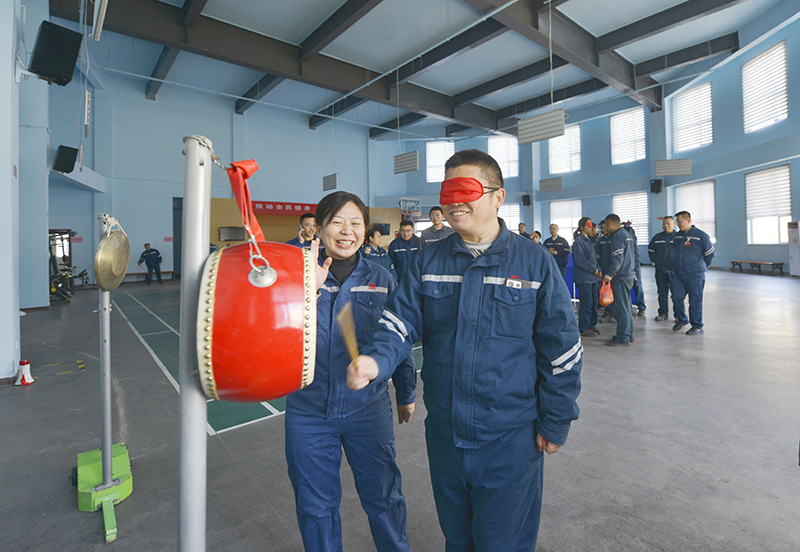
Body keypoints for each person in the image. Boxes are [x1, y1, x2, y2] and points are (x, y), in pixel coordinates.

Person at [348, 149, 582, 552]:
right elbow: (398, 321)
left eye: (466, 190)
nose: (454, 202)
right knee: (457, 539)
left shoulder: (534, 262)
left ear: (497, 197)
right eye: (447, 192)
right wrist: (376, 359)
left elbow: (561, 349)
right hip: (445, 435)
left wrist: (556, 419)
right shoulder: (429, 260)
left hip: (511, 438)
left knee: (502, 544)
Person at [286, 191, 416, 552]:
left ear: (365, 229)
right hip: (309, 411)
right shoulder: (293, 278)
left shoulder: (382, 277)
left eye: (356, 223)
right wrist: (307, 292)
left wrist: (406, 393)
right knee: (315, 506)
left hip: (368, 408)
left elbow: (399, 337)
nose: (347, 231)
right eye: (337, 222)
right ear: (318, 228)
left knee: (384, 497)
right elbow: (269, 337)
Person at [671, 211, 715, 335]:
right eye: (677, 222)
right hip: (679, 274)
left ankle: (697, 326)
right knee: (676, 297)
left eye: (680, 222)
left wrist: (701, 266)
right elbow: (675, 250)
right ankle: (682, 319)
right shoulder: (677, 236)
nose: (678, 224)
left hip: (695, 275)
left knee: (695, 300)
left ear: (688, 220)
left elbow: (710, 254)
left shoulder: (701, 236)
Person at [598, 214, 635, 346]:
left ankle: (622, 337)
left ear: (609, 224)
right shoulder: (626, 234)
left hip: (620, 277)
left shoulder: (617, 236)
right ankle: (629, 334)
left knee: (620, 309)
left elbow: (617, 258)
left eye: (605, 226)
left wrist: (610, 274)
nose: (604, 229)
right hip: (627, 275)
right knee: (626, 307)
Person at [572, 218, 601, 337]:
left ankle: (591, 325)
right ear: (582, 227)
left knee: (594, 302)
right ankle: (584, 327)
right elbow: (580, 261)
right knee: (586, 303)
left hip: (592, 278)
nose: (591, 227)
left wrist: (598, 270)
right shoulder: (579, 242)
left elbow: (593, 258)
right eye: (588, 225)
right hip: (584, 279)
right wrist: (594, 270)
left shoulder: (589, 240)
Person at [648, 216, 678, 322]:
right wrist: (656, 260)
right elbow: (651, 250)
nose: (666, 226)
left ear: (674, 224)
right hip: (661, 270)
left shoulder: (678, 237)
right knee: (662, 292)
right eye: (664, 224)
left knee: (676, 294)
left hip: (675, 271)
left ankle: (678, 315)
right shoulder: (657, 238)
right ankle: (663, 313)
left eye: (668, 223)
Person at [621, 222, 646, 316]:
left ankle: (641, 306)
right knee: (627, 287)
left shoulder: (628, 235)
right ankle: (629, 309)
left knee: (637, 284)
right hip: (625, 264)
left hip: (634, 264)